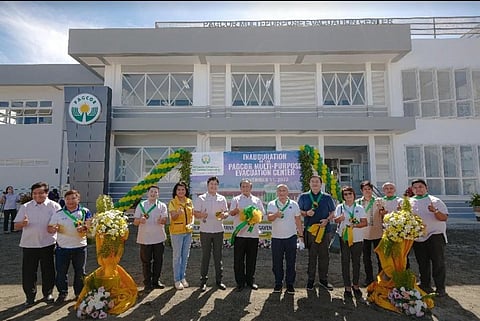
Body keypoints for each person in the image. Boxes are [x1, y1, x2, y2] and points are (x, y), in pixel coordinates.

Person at [14, 182, 61, 307]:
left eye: (40, 193)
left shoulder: (54, 206)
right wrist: (22, 224)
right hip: (29, 244)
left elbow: (60, 224)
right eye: (34, 193)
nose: (37, 195)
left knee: (48, 270)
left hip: (48, 243)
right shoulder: (25, 207)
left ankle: (48, 293)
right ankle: (30, 296)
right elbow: (15, 226)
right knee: (29, 272)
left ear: (46, 193)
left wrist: (56, 227)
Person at [48, 189, 92, 304]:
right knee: (61, 273)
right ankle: (62, 293)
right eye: (67, 199)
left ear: (78, 199)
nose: (70, 201)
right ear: (64, 200)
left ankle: (79, 293)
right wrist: (53, 229)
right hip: (62, 248)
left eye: (73, 198)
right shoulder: (58, 213)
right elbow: (49, 228)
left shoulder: (85, 211)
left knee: (80, 272)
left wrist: (85, 228)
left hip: (80, 248)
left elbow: (90, 227)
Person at [410, 179, 448, 297]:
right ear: (412, 190)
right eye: (415, 187)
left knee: (438, 262)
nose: (418, 189)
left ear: (426, 188)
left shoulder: (435, 201)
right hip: (418, 237)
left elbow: (444, 217)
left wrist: (435, 211)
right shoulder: (409, 202)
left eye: (420, 186)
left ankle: (440, 287)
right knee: (422, 262)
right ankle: (425, 284)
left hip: (435, 235)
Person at [297, 174, 336, 291]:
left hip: (325, 230)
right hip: (310, 231)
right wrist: (306, 213)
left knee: (324, 256)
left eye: (317, 182)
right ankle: (310, 280)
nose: (315, 184)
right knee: (312, 256)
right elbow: (298, 211)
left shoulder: (327, 197)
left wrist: (327, 220)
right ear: (309, 184)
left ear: (321, 184)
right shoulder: (304, 197)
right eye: (312, 181)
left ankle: (324, 280)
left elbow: (333, 211)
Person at [229, 178, 265, 291]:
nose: (245, 188)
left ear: (251, 188)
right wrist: (235, 211)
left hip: (253, 235)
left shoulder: (257, 200)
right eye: (243, 186)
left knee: (251, 260)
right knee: (238, 260)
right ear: (240, 188)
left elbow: (262, 215)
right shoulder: (236, 199)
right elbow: (231, 213)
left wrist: (255, 217)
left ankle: (250, 281)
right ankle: (240, 283)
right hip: (240, 235)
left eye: (247, 186)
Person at [266, 184, 303, 295]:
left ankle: (290, 284)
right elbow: (269, 218)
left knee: (291, 262)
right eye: (280, 191)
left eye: (284, 191)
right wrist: (276, 215)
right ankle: (278, 283)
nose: (282, 193)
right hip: (276, 238)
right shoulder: (272, 204)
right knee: (277, 263)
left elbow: (298, 221)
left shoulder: (294, 204)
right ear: (277, 193)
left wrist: (301, 236)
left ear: (287, 192)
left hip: (291, 237)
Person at [193, 176, 228, 292]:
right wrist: (201, 215)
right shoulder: (201, 198)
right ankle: (203, 281)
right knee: (205, 257)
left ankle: (219, 281)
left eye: (215, 184)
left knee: (218, 257)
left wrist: (225, 215)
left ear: (217, 186)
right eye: (211, 184)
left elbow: (226, 212)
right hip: (205, 231)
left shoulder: (222, 198)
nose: (213, 186)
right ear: (208, 185)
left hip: (218, 230)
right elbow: (195, 213)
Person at [333, 186, 367, 299]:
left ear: (353, 194)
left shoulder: (359, 207)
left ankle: (355, 285)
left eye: (350, 194)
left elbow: (364, 223)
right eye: (345, 194)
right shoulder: (340, 207)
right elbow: (335, 220)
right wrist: (339, 219)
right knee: (345, 262)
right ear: (343, 196)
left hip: (357, 239)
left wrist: (355, 225)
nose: (348, 196)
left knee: (356, 262)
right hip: (344, 238)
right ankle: (347, 286)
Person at [133, 185, 169, 292]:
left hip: (158, 237)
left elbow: (165, 220)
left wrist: (161, 221)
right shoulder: (141, 205)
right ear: (148, 193)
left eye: (156, 192)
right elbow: (135, 222)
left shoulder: (162, 206)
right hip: (145, 238)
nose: (153, 194)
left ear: (158, 194)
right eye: (151, 192)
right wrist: (140, 221)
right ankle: (147, 283)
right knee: (146, 261)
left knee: (158, 260)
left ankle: (156, 281)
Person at [168, 181, 194, 290]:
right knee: (177, 256)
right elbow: (173, 217)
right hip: (177, 233)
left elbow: (192, 215)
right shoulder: (173, 203)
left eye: (183, 189)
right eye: (179, 189)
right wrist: (177, 213)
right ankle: (177, 280)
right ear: (176, 191)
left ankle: (183, 277)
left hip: (188, 232)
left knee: (185, 256)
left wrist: (192, 223)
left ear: (186, 191)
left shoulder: (189, 201)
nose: (181, 191)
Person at [357, 180, 383, 287]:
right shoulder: (357, 203)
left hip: (377, 233)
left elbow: (383, 215)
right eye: (365, 189)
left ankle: (381, 278)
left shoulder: (379, 201)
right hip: (363, 234)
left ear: (372, 190)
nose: (367, 191)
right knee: (366, 257)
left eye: (369, 189)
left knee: (380, 257)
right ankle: (369, 278)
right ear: (361, 191)